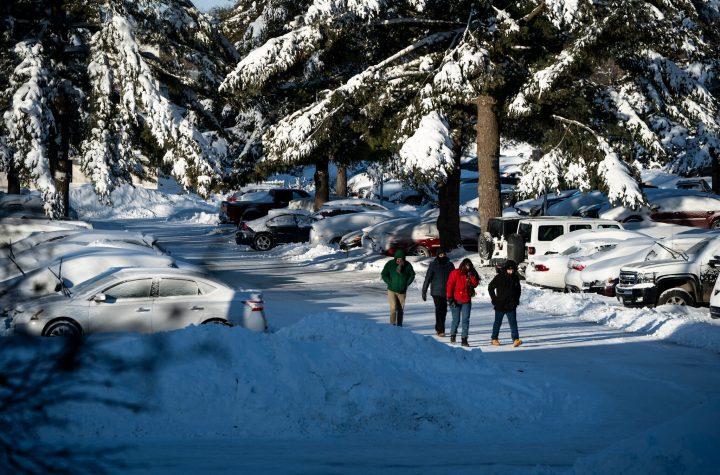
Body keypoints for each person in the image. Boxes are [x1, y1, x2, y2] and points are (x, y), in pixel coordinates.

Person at [446, 258, 480, 347]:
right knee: (456, 319)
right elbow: (450, 285)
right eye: (466, 265)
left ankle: (464, 339)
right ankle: (453, 335)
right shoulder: (455, 273)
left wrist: (472, 276)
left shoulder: (471, 274)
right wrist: (449, 297)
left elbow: (475, 284)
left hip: (466, 300)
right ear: (463, 265)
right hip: (455, 299)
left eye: (469, 266)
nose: (468, 267)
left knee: (465, 320)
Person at [488, 259, 522, 347]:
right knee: (497, 322)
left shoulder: (515, 278)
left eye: (512, 269)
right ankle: (494, 339)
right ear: (506, 269)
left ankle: (515, 339)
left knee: (513, 322)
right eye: (509, 269)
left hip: (511, 305)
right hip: (500, 304)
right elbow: (490, 287)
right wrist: (494, 299)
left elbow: (518, 290)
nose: (511, 271)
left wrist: (516, 300)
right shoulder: (499, 277)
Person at [421, 248, 455, 336]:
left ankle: (438, 326)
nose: (442, 256)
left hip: (447, 292)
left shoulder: (450, 265)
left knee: (444, 311)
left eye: (443, 255)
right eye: (440, 255)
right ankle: (440, 330)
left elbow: (454, 279)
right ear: (437, 256)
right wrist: (424, 291)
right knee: (439, 309)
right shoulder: (433, 265)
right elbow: (428, 278)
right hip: (436, 292)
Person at [381, 249, 415, 326]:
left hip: (402, 291)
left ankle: (399, 325)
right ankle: (392, 325)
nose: (399, 260)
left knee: (400, 309)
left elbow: (412, 275)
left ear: (404, 259)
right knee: (393, 308)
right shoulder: (390, 264)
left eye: (401, 259)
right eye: (398, 259)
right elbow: (384, 274)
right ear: (395, 258)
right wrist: (389, 282)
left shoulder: (407, 265)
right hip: (391, 290)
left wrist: (407, 283)